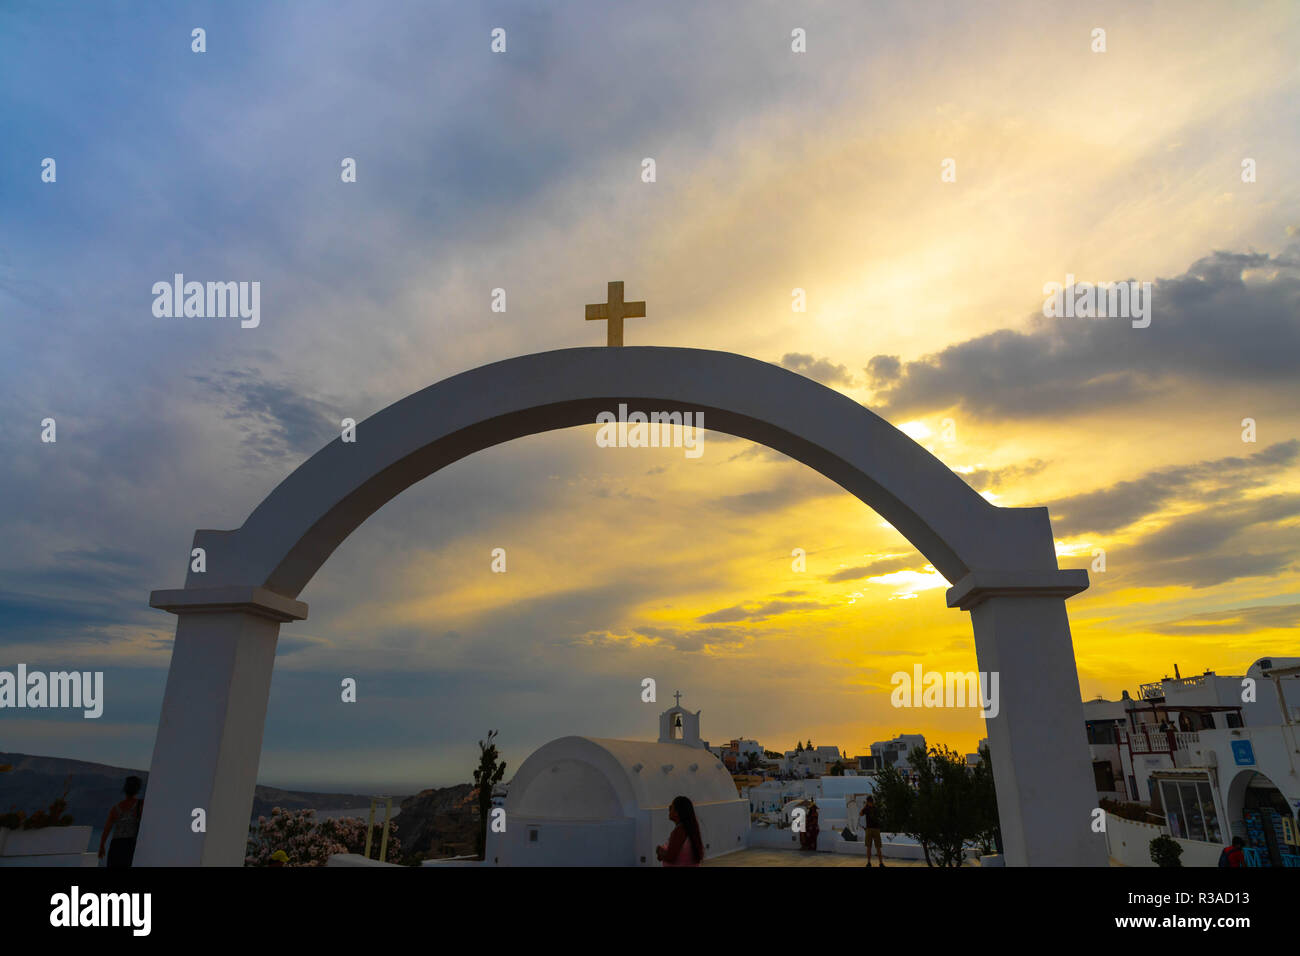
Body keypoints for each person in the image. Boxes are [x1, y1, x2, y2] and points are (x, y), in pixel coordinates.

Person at [99, 775, 144, 868]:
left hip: (115, 845)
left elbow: (107, 829)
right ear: (137, 789)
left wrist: (102, 846)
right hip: (129, 845)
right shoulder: (141, 805)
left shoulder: (115, 809)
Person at [655, 795, 704, 866]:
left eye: (671, 807)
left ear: (677, 812)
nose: (669, 809)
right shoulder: (689, 829)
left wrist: (659, 850)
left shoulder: (680, 831)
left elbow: (670, 857)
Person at [860, 794, 885, 867]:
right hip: (871, 829)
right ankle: (871, 862)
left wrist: (865, 806)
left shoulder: (873, 808)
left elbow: (861, 814)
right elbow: (861, 814)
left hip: (874, 829)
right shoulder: (868, 808)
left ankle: (879, 863)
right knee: (870, 847)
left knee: (877, 847)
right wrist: (865, 807)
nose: (870, 803)